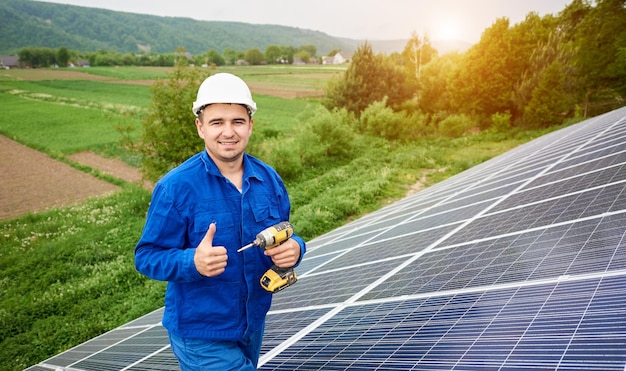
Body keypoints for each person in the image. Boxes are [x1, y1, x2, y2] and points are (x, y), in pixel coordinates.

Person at [134, 73, 306, 370]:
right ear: (200, 127)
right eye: (217, 122)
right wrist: (193, 263)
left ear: (251, 125)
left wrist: (297, 249)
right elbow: (146, 257)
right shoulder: (176, 187)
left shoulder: (269, 179)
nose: (228, 132)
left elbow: (285, 234)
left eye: (237, 121)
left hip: (252, 323)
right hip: (201, 333)